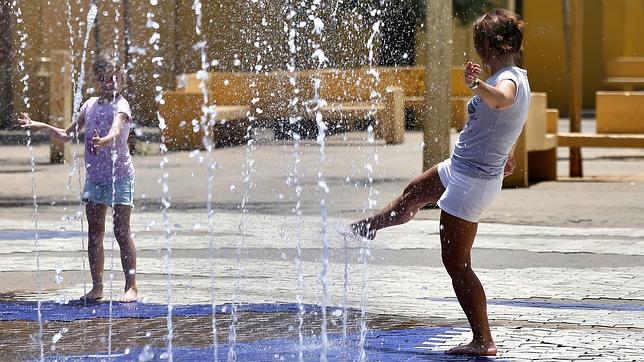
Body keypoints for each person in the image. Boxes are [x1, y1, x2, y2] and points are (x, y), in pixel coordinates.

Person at [351, 9, 530, 356]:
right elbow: (503, 118)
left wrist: (477, 85)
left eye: (478, 43)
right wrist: (506, 152)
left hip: (473, 180)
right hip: (462, 166)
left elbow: (504, 100)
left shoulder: (507, 80)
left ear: (486, 46)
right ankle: (372, 225)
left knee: (457, 263)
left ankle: (483, 340)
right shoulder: (512, 75)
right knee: (413, 194)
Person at [19, 55, 138, 303]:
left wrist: (103, 140)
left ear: (123, 81)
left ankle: (131, 286)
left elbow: (116, 132)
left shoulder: (122, 106)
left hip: (120, 177)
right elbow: (66, 134)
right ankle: (97, 287)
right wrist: (40, 125)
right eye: (107, 78)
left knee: (121, 231)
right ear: (98, 80)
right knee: (95, 233)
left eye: (117, 78)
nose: (112, 83)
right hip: (95, 179)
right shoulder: (89, 105)